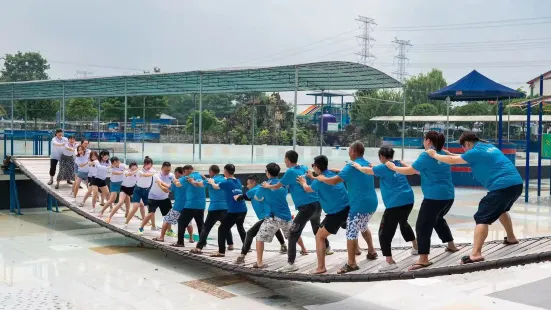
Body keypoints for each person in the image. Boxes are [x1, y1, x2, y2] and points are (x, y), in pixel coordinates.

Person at [426, 132, 523, 265]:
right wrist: (449, 154)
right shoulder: (487, 146)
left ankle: (476, 254)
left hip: (502, 186)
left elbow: (455, 161)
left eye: (463, 148)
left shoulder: (475, 151)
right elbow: (465, 157)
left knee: (482, 216)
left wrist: (434, 155)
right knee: (501, 209)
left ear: (467, 143)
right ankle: (511, 237)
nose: (464, 150)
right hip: (516, 184)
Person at [385, 131, 458, 271]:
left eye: (424, 139)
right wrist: (405, 166)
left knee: (422, 226)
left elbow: (411, 171)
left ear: (429, 141)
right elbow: (424, 170)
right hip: (448, 196)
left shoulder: (426, 154)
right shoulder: (442, 153)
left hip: (434, 197)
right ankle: (451, 245)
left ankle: (423, 258)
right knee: (438, 218)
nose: (423, 142)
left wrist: (393, 167)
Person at [310, 142, 378, 274]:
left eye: (349, 150)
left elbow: (334, 181)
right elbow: (347, 173)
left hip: (358, 205)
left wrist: (321, 178)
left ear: (353, 151)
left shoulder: (351, 166)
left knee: (351, 232)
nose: (348, 152)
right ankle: (371, 251)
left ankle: (351, 264)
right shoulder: (367, 164)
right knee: (363, 226)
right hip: (372, 203)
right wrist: (335, 171)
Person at [262, 150, 332, 273]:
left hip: (306, 207)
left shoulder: (290, 172)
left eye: (285, 159)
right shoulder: (304, 167)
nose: (284, 161)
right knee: (317, 228)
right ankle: (327, 248)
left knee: (293, 233)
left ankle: (291, 263)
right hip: (316, 204)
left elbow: (278, 185)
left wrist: (267, 187)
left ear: (288, 159)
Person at [351, 146, 418, 272]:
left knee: (384, 233)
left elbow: (366, 171)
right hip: (409, 200)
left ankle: (389, 262)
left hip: (395, 204)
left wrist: (357, 166)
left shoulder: (382, 167)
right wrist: (373, 167)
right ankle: (416, 246)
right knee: (403, 223)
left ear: (381, 156)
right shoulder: (397, 163)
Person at [296, 155, 350, 274]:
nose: (312, 167)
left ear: (317, 167)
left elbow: (308, 189)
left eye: (313, 165)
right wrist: (313, 176)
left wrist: (303, 182)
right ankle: (362, 250)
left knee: (319, 236)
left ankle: (321, 267)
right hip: (348, 208)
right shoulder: (332, 175)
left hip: (336, 213)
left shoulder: (319, 181)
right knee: (352, 229)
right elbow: (322, 180)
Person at [234, 175, 289, 265]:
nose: (247, 186)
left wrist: (237, 197)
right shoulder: (261, 188)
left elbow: (243, 197)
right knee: (275, 229)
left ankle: (242, 256)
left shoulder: (253, 190)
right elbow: (249, 197)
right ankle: (283, 246)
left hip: (267, 216)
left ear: (253, 182)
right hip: (274, 215)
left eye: (248, 184)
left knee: (250, 233)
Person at [205, 164, 247, 257]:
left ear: (226, 172)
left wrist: (211, 182)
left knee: (222, 229)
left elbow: (215, 186)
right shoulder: (238, 181)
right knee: (240, 227)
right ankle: (246, 248)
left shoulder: (227, 182)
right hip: (243, 209)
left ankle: (221, 252)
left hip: (234, 211)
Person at [190, 165, 234, 254]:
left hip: (214, 208)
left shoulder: (208, 181)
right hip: (226, 207)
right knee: (225, 226)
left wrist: (191, 181)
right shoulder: (224, 179)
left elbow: (198, 184)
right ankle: (230, 244)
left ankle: (199, 247)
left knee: (206, 228)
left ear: (211, 171)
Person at [170, 165, 206, 246]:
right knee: (200, 224)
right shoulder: (199, 175)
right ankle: (203, 242)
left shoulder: (187, 177)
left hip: (191, 205)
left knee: (181, 222)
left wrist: (175, 181)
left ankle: (180, 242)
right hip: (201, 204)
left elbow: (178, 185)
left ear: (185, 171)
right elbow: (205, 180)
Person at [137, 162, 174, 235]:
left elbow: (175, 181)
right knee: (151, 213)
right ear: (161, 168)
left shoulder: (171, 175)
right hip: (153, 197)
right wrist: (170, 187)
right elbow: (163, 184)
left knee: (168, 215)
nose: (167, 172)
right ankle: (141, 228)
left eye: (168, 170)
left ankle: (169, 231)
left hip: (164, 198)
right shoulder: (156, 175)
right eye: (165, 170)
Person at [153, 167, 186, 242]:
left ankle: (161, 237)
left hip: (178, 206)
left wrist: (159, 184)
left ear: (177, 172)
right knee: (188, 223)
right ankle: (191, 238)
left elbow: (166, 190)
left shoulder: (177, 181)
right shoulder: (187, 181)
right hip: (187, 206)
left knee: (166, 219)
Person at [124, 157, 156, 229]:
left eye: (150, 165)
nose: (149, 166)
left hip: (147, 191)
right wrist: (153, 173)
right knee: (135, 207)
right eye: (147, 165)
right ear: (144, 164)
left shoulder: (152, 170)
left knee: (151, 209)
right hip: (138, 190)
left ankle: (153, 226)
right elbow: (144, 175)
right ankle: (126, 223)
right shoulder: (139, 171)